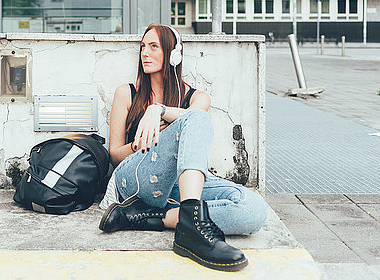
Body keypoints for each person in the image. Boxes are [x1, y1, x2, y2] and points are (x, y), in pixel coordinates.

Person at [98, 24, 268, 272]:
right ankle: (189, 224)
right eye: (143, 46)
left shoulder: (197, 97)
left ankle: (159, 219)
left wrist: (159, 110)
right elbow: (114, 155)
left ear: (173, 54)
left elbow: (193, 119)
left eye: (154, 46)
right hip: (136, 179)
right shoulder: (127, 93)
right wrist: (140, 143)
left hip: (180, 186)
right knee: (196, 118)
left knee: (253, 210)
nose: (145, 53)